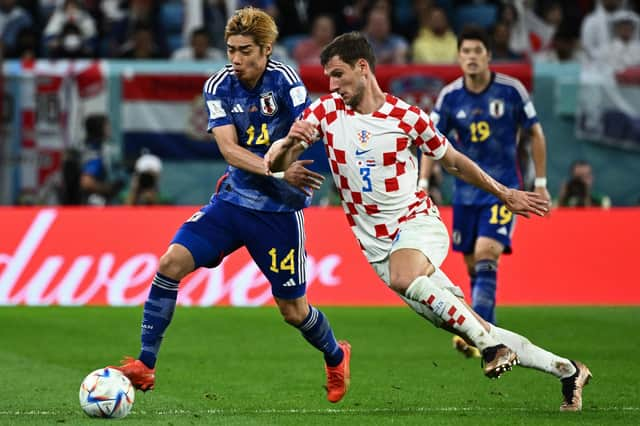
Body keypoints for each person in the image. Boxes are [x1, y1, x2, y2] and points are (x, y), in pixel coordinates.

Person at [265, 31, 591, 412]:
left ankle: (490, 349)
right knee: (465, 322)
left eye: (338, 75)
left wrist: (505, 193)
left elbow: (453, 161)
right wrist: (288, 143)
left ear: (363, 67)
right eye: (328, 78)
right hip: (376, 247)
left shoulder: (406, 117)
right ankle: (568, 370)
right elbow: (274, 163)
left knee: (418, 284)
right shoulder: (324, 113)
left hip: (417, 223)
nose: (333, 85)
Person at [109, 7, 351, 404]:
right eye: (231, 50)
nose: (235, 59)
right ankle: (145, 363)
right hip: (233, 202)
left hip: (278, 213)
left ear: (266, 49)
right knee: (170, 263)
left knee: (293, 311)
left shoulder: (285, 79)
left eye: (245, 51)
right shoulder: (219, 85)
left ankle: (336, 356)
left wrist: (295, 144)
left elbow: (305, 128)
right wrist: (274, 171)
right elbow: (228, 149)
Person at [419, 27, 551, 344]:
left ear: (489, 55)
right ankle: (486, 330)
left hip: (505, 191)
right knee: (472, 264)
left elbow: (535, 133)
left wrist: (541, 183)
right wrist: (423, 182)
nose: (472, 57)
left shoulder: (511, 90)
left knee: (486, 254)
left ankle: (480, 338)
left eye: (478, 50)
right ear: (459, 56)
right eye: (466, 51)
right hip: (466, 193)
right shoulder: (450, 97)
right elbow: (429, 141)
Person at [79, 114, 125, 206]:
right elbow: (86, 182)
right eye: (107, 126)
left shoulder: (86, 147)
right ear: (99, 129)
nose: (109, 129)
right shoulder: (94, 153)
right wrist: (108, 189)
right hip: (95, 206)